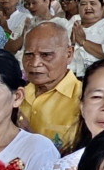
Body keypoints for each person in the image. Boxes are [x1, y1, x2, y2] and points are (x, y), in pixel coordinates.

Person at [20, 21, 84, 151]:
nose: (35, 63)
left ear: (69, 54)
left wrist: (30, 138)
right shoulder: (16, 96)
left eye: (46, 55)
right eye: (29, 55)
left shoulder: (84, 98)